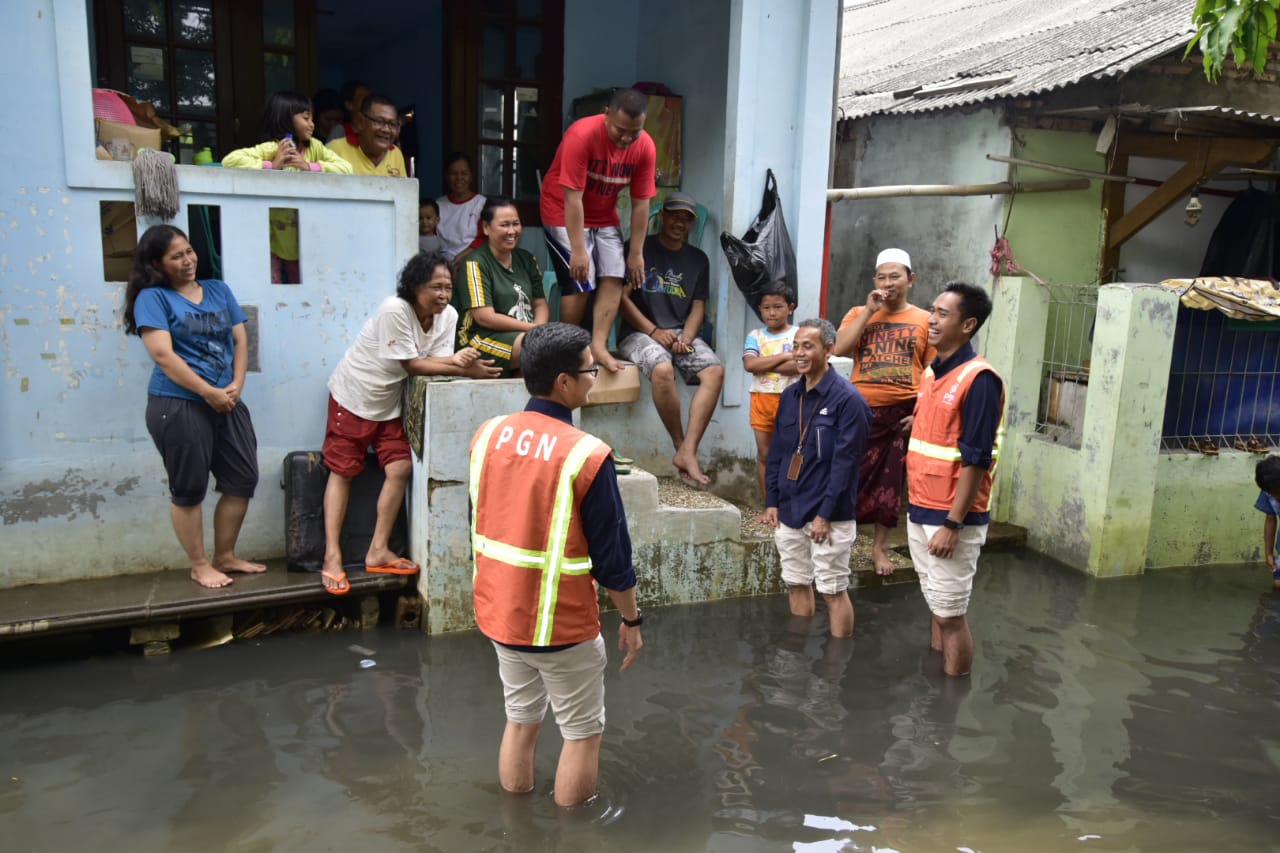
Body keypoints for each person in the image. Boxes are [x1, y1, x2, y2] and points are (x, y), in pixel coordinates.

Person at [469, 322, 644, 807]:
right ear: (564, 382)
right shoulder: (587, 454)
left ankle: (517, 823)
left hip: (500, 616)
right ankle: (573, 834)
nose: (595, 379)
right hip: (560, 624)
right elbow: (612, 559)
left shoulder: (488, 434)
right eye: (590, 371)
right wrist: (631, 620)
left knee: (520, 720)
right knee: (582, 734)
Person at [321, 252, 500, 595]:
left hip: (390, 402)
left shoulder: (448, 315)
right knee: (342, 471)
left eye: (448, 287)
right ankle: (332, 556)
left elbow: (438, 360)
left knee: (400, 468)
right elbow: (413, 365)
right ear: (415, 286)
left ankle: (378, 550)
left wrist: (462, 365)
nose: (444, 295)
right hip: (354, 396)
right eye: (436, 287)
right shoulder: (395, 309)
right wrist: (464, 367)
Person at [122, 225, 265, 589]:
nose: (187, 260)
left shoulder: (218, 290)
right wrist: (207, 392)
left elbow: (240, 340)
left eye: (189, 251)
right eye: (176, 256)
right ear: (157, 264)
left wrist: (235, 386)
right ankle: (200, 565)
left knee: (242, 478)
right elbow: (163, 355)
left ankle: (225, 556)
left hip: (227, 401)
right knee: (189, 488)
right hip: (178, 403)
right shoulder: (153, 298)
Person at [905, 281, 1004, 677]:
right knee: (936, 604)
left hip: (950, 517)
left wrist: (953, 524)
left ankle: (952, 697)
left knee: (950, 615)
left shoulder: (979, 379)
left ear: (968, 325)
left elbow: (976, 459)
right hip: (921, 506)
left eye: (942, 314)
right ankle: (937, 684)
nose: (931, 319)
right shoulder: (933, 371)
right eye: (933, 310)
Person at [761, 319, 871, 638]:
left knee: (832, 589)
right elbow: (777, 453)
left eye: (807, 346)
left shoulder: (848, 400)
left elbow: (846, 465)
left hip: (828, 514)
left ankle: (837, 661)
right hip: (790, 509)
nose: (799, 353)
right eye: (795, 346)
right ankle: (797, 653)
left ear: (828, 349)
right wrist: (772, 501)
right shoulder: (790, 396)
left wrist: (825, 514)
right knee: (796, 582)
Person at [834, 248, 935, 576]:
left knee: (890, 485)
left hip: (901, 414)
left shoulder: (925, 320)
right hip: (859, 411)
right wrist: (868, 311)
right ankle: (840, 541)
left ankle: (879, 548)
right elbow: (839, 348)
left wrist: (921, 415)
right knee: (845, 475)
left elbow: (934, 373)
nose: (888, 283)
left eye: (895, 276)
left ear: (911, 279)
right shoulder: (858, 313)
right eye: (882, 277)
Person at [541, 87, 656, 373]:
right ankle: (567, 350)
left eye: (634, 132)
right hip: (561, 208)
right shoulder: (581, 135)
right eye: (620, 130)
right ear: (606, 114)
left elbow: (641, 204)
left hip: (604, 214)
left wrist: (636, 253)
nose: (627, 138)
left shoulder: (645, 147)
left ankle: (599, 346)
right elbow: (572, 199)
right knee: (581, 278)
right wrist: (579, 251)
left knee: (615, 275)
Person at [617, 191, 723, 485]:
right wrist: (652, 330)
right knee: (662, 369)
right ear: (662, 216)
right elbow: (620, 298)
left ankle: (689, 450)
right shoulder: (639, 249)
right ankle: (680, 445)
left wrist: (686, 336)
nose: (679, 223)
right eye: (674, 216)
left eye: (686, 219)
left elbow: (698, 306)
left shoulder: (698, 260)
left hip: (679, 332)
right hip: (638, 332)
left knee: (714, 371)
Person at [222, 90, 354, 284]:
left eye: (312, 118)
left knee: (302, 282)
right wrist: (271, 165)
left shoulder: (315, 148)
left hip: (305, 234)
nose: (312, 124)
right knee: (272, 282)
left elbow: (347, 168)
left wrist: (309, 166)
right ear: (285, 119)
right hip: (272, 235)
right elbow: (230, 161)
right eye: (306, 118)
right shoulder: (274, 148)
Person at [454, 196, 550, 376]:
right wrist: (535, 331)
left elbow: (540, 303)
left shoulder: (526, 259)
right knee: (539, 348)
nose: (511, 231)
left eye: (516, 224)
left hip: (525, 335)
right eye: (504, 225)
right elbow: (485, 317)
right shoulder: (475, 262)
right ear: (486, 227)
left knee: (553, 348)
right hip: (479, 338)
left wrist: (538, 328)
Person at [743, 280, 799, 513]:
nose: (772, 313)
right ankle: (770, 505)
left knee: (793, 453)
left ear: (790, 308)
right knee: (765, 454)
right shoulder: (755, 336)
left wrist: (764, 364)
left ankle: (791, 503)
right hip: (762, 399)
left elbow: (797, 367)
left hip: (793, 400)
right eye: (766, 308)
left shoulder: (798, 335)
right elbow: (750, 364)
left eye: (778, 307)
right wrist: (784, 357)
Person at [326, 94, 406, 177]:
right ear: (361, 122)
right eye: (379, 122)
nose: (386, 129)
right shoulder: (336, 149)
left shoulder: (395, 154)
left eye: (392, 124)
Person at [436, 153, 486, 264]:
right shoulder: (438, 205)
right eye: (454, 173)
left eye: (464, 173)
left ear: (471, 176)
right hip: (443, 262)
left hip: (473, 259)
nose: (459, 178)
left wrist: (462, 256)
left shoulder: (481, 203)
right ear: (447, 177)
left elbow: (485, 237)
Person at [1253, 455, 1280, 589]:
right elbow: (1270, 518)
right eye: (1272, 493)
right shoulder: (1269, 488)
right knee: (1278, 584)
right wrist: (1268, 553)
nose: (1276, 497)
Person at [327, 79, 370, 143]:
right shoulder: (340, 131)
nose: (368, 101)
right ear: (349, 105)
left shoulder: (373, 130)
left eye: (370, 98)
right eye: (363, 98)